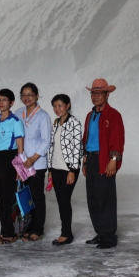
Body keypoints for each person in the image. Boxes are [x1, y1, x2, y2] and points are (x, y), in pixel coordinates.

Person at [82, 79, 125, 249]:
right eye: (93, 93)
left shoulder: (113, 115)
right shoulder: (90, 115)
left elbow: (117, 140)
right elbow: (86, 140)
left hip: (104, 160)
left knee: (106, 198)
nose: (95, 96)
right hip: (91, 159)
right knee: (93, 198)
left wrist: (113, 161)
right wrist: (85, 161)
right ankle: (100, 232)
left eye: (99, 93)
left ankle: (109, 237)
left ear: (107, 95)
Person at [14, 83, 51, 242]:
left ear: (36, 96)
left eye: (30, 95)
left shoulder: (43, 116)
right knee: (24, 196)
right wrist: (20, 162)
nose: (26, 98)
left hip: (36, 164)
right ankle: (26, 227)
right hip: (21, 163)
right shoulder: (18, 113)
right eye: (23, 95)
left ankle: (37, 228)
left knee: (37, 196)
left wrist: (33, 158)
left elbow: (46, 141)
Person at [47, 94, 82, 246]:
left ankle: (66, 234)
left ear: (68, 105)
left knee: (64, 201)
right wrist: (50, 169)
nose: (57, 109)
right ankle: (65, 232)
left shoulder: (75, 123)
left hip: (68, 169)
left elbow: (77, 148)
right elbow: (51, 147)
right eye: (55, 106)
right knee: (61, 201)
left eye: (60, 105)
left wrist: (72, 170)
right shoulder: (55, 124)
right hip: (55, 168)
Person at [0, 89, 24, 245]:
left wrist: (19, 168)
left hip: (9, 158)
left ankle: (10, 233)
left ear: (11, 102)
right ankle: (4, 230)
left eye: (4, 100)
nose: (1, 103)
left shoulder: (15, 121)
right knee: (0, 197)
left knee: (8, 197)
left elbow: (20, 145)